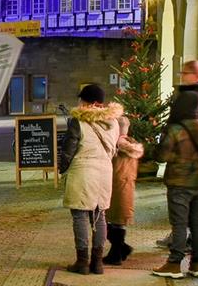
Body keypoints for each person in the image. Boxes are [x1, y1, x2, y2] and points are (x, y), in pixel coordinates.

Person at [156, 59, 198, 252]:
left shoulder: (191, 97)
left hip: (184, 160)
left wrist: (166, 142)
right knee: (197, 214)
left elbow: (177, 127)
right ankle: (197, 258)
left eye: (185, 73)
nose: (181, 77)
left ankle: (176, 257)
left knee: (180, 214)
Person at [151, 96, 198, 279]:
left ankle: (174, 264)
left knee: (179, 223)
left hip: (179, 184)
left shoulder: (174, 129)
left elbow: (162, 156)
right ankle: (197, 264)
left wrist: (155, 150)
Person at [57, 83, 122, 275]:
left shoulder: (78, 121)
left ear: (90, 102)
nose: (79, 103)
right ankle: (98, 263)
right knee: (99, 215)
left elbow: (68, 150)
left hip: (83, 171)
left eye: (81, 100)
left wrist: (62, 169)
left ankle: (82, 262)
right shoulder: (114, 122)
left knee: (80, 215)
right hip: (104, 172)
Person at [103, 111, 144, 265]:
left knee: (111, 220)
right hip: (126, 186)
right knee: (117, 220)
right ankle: (121, 249)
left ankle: (118, 252)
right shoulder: (132, 144)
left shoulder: (117, 146)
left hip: (115, 185)